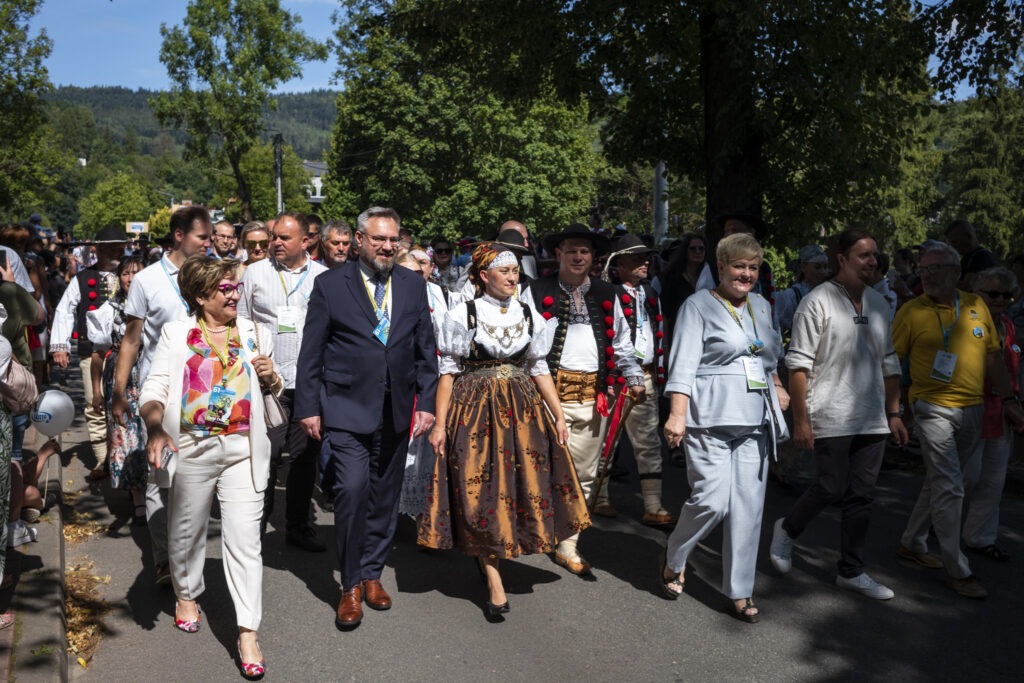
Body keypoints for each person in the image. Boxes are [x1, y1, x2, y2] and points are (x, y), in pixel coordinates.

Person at [421, 244, 590, 619]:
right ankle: (494, 577)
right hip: (475, 409)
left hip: (522, 410)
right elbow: (447, 373)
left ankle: (494, 555)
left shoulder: (530, 314)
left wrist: (558, 415)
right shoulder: (461, 314)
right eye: (504, 272)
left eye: (515, 271)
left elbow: (539, 368)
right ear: (484, 276)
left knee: (517, 486)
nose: (513, 277)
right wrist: (441, 424)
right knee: (479, 489)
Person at [294, 206, 438, 631]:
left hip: (396, 407)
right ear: (359, 240)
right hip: (345, 406)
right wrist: (308, 407)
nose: (388, 247)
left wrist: (427, 402)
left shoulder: (412, 284)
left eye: (394, 239)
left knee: (384, 496)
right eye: (379, 239)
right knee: (352, 490)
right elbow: (312, 351)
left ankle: (373, 572)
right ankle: (350, 583)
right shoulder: (330, 285)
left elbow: (424, 347)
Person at [140, 255, 279, 679]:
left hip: (243, 449)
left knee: (245, 541)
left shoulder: (256, 332)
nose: (234, 293)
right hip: (194, 447)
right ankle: (186, 592)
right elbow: (155, 387)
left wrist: (272, 376)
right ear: (201, 296)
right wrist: (154, 429)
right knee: (186, 529)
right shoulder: (177, 333)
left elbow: (275, 388)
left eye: (235, 286)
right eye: (225, 288)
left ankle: (247, 631)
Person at [768, 230, 907, 600]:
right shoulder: (817, 302)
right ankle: (788, 528)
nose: (872, 261)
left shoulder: (878, 302)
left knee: (862, 495)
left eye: (874, 255)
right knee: (830, 486)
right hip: (829, 411)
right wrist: (801, 420)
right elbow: (797, 366)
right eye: (863, 255)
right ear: (841, 259)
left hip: (872, 416)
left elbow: (889, 360)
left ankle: (851, 571)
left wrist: (894, 412)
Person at [661, 232, 789, 622]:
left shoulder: (763, 306)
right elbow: (682, 362)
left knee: (749, 507)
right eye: (738, 266)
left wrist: (779, 386)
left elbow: (769, 359)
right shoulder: (698, 306)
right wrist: (677, 413)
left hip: (755, 417)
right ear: (721, 267)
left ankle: (741, 590)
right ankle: (675, 556)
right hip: (709, 416)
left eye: (752, 267)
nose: (746, 274)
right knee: (712, 501)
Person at [893, 242, 1024, 599]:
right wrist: (894, 409)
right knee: (951, 484)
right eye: (924, 269)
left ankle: (912, 541)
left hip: (974, 408)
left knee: (941, 481)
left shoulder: (976, 305)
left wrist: (1009, 400)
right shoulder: (911, 311)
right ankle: (957, 568)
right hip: (931, 408)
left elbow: (994, 358)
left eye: (937, 268)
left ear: (957, 274)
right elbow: (891, 362)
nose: (929, 274)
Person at [530, 224, 645, 576]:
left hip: (592, 399)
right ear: (558, 254)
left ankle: (569, 544)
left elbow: (623, 345)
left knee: (584, 474)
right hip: (544, 396)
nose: (578, 256)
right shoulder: (534, 291)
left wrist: (634, 376)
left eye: (585, 251)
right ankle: (538, 529)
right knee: (539, 466)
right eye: (571, 250)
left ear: (593, 258)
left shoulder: (608, 294)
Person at [112, 206, 212, 586]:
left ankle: (187, 555)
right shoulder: (148, 280)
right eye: (202, 238)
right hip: (161, 394)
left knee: (197, 478)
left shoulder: (211, 276)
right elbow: (132, 340)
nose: (209, 244)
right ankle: (164, 560)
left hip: (203, 393)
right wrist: (119, 394)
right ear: (178, 236)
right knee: (160, 478)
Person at [237, 212, 328, 551]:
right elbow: (242, 321)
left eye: (283, 238)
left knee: (304, 458)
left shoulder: (323, 277)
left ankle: (298, 525)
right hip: (267, 382)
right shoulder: (255, 273)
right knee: (266, 454)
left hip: (307, 382)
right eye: (273, 236)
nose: (274, 242)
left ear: (306, 241)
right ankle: (255, 527)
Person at [594, 234, 675, 526]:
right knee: (607, 440)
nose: (645, 262)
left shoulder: (651, 294)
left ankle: (653, 504)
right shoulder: (608, 293)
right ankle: (599, 497)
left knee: (649, 442)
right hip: (616, 379)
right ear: (620, 263)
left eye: (647, 258)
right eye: (637, 258)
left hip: (647, 375)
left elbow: (658, 334)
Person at [49, 226, 125, 477]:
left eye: (120, 246)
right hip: (91, 353)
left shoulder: (133, 274)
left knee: (125, 403)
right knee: (95, 404)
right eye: (112, 246)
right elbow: (64, 310)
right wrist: (60, 346)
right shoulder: (82, 279)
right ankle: (103, 460)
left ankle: (125, 456)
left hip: (126, 353)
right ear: (99, 249)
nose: (118, 250)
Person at [961, 267, 1021, 561]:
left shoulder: (1008, 325)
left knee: (994, 480)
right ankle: (934, 521)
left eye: (1006, 294)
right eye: (993, 293)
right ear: (977, 292)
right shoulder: (963, 321)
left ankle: (980, 537)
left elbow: (1011, 366)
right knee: (966, 475)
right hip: (970, 406)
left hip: (1001, 411)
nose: (1000, 299)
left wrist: (1015, 399)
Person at [87, 256, 148, 524]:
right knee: (125, 436)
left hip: (149, 374)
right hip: (119, 380)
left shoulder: (155, 306)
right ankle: (137, 496)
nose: (130, 278)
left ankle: (154, 490)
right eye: (125, 273)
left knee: (149, 433)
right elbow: (98, 355)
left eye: (136, 273)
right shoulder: (108, 310)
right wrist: (97, 392)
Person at [393, 248, 449, 518]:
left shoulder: (437, 294)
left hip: (429, 380)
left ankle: (424, 516)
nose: (415, 279)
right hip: (401, 381)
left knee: (425, 449)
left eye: (419, 273)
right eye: (408, 274)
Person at [773, 244, 829, 344]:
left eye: (825, 267)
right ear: (803, 267)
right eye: (817, 267)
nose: (823, 272)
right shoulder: (792, 296)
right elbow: (773, 328)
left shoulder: (831, 294)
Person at [945, 220, 996, 289]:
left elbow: (968, 286)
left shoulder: (982, 257)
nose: (952, 246)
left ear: (968, 236)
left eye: (955, 242)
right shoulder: (966, 258)